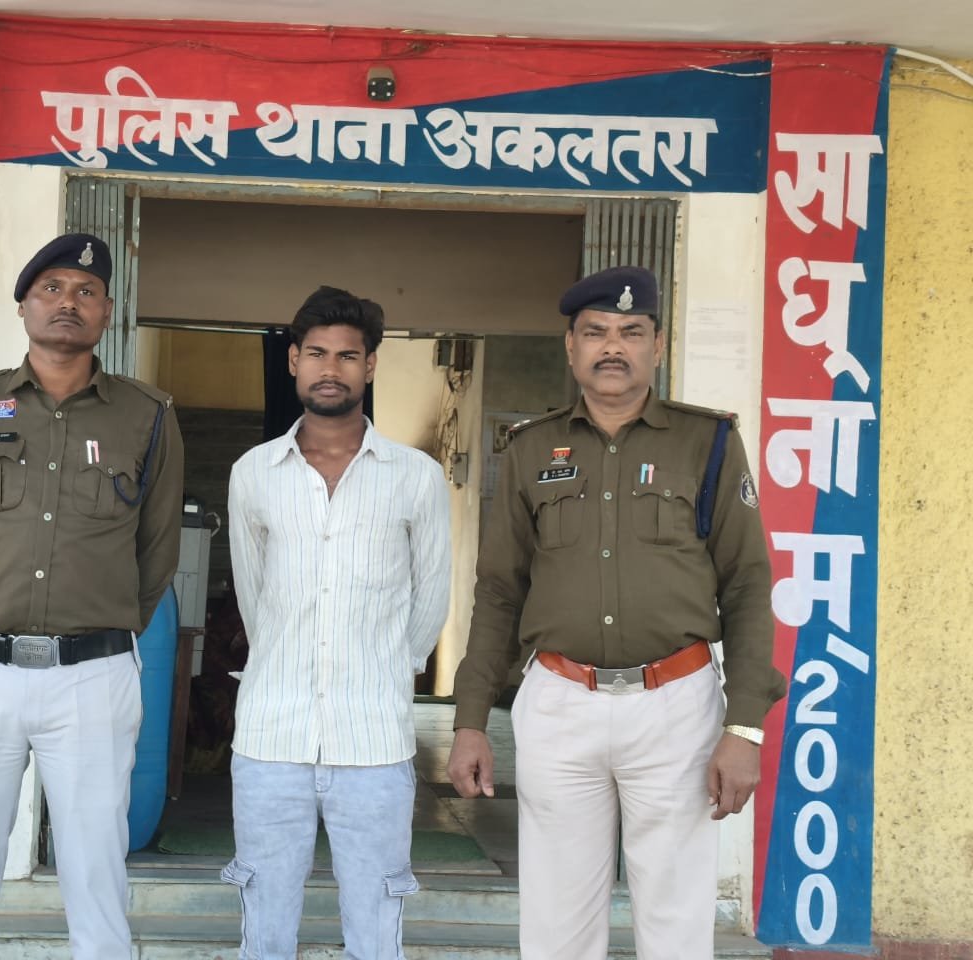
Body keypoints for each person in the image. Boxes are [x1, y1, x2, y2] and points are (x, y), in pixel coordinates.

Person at [447, 266, 787, 960]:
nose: (613, 347)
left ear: (657, 346)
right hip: (559, 702)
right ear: (570, 347)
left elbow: (749, 586)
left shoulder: (708, 443)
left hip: (677, 705)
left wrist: (745, 726)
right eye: (596, 332)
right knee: (558, 923)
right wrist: (470, 719)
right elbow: (500, 590)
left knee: (676, 921)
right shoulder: (531, 448)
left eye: (632, 332)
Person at [0, 233, 184, 960]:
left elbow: (157, 548)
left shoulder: (146, 414)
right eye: (52, 288)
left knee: (96, 875)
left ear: (107, 314)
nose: (69, 302)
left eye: (86, 292)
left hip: (92, 678)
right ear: (23, 306)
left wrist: (101, 624)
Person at [223, 286, 452, 960]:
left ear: (370, 366)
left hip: (373, 742)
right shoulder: (253, 474)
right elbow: (254, 597)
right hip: (270, 739)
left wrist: (386, 670)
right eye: (317, 353)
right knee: (264, 933)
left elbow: (430, 601)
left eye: (348, 356)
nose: (332, 369)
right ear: (293, 361)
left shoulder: (415, 477)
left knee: (376, 937)